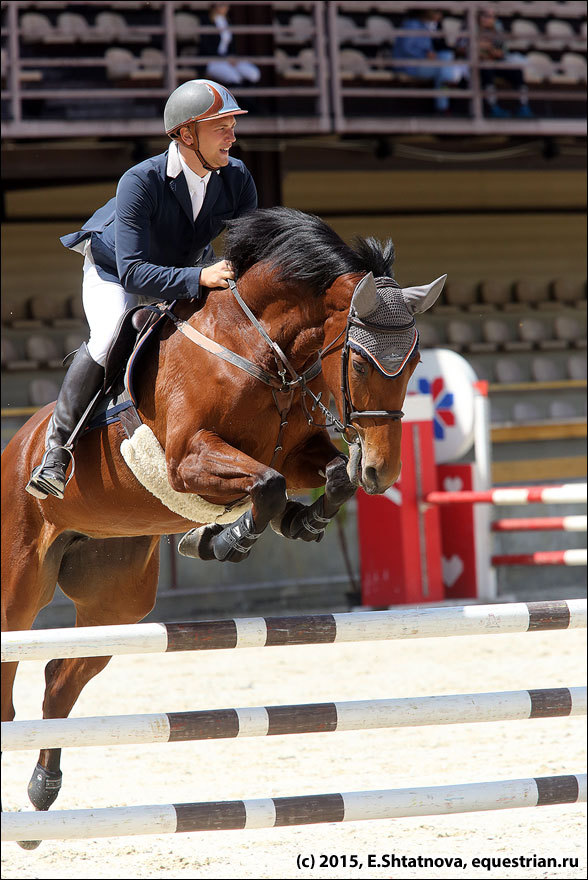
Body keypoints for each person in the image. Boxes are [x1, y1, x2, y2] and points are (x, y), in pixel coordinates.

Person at [26, 78, 257, 501]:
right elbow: (134, 273)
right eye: (221, 125)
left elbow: (248, 255)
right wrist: (199, 277)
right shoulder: (140, 180)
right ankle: (57, 450)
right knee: (111, 332)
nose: (232, 134)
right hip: (116, 268)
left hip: (184, 266)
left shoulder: (237, 177)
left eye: (232, 124)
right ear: (187, 134)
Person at [392, 9, 467, 114]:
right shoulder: (413, 25)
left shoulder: (428, 26)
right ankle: (451, 84)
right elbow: (407, 48)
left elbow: (428, 47)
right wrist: (425, 54)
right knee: (444, 70)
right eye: (436, 12)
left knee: (446, 57)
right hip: (410, 65)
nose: (439, 15)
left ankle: (443, 105)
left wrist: (430, 53)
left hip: (424, 63)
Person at [475, 6, 534, 118]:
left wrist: (489, 49)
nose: (486, 19)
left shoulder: (497, 33)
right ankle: (492, 107)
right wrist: (485, 50)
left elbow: (500, 52)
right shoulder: (472, 30)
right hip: (480, 66)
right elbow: (466, 50)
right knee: (486, 71)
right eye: (484, 16)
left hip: (496, 63)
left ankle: (523, 105)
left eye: (490, 17)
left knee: (517, 72)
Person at [200, 3, 261, 87]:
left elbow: (231, 46)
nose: (225, 8)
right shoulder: (206, 22)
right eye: (221, 5)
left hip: (228, 59)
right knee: (234, 77)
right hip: (213, 60)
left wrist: (232, 57)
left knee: (253, 73)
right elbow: (206, 47)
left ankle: (250, 98)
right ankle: (235, 99)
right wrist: (224, 58)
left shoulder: (227, 22)